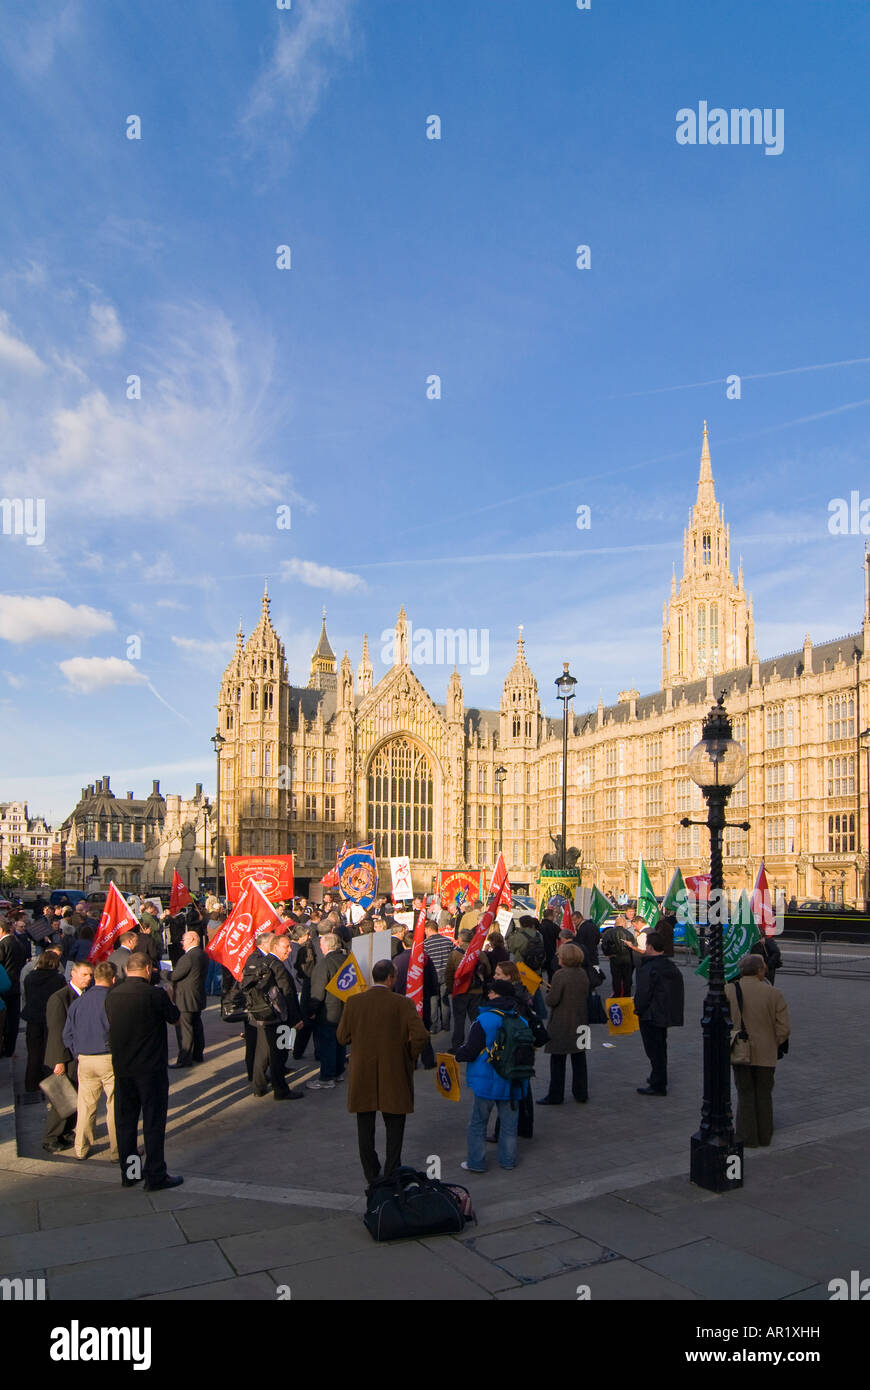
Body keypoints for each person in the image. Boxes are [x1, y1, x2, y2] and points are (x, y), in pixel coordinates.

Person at [336, 957, 430, 1187]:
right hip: (394, 1071)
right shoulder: (402, 1003)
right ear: (390, 978)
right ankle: (391, 1172)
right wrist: (409, 1055)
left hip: (363, 1074)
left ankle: (371, 1173)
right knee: (395, 1126)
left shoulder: (354, 1002)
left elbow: (341, 1037)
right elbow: (421, 1036)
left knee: (364, 1126)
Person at [104, 951, 182, 1190]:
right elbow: (175, 1018)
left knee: (126, 1123)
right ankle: (155, 1173)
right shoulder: (153, 994)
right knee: (153, 1121)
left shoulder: (112, 994)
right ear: (148, 969)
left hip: (123, 1067)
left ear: (127, 970)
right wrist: (170, 996)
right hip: (150, 1068)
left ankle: (131, 1173)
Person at [455, 979, 531, 1173]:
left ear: (496, 995)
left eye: (491, 992)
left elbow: (471, 1050)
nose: (488, 994)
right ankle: (508, 1160)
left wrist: (458, 1054)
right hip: (513, 1080)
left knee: (478, 1122)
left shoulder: (484, 1019)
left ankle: (476, 1162)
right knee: (509, 1124)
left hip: (487, 1079)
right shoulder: (520, 1020)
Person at [725, 954, 790, 1147]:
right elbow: (784, 1028)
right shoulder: (774, 993)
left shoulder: (729, 990)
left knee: (745, 1093)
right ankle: (764, 1134)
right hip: (766, 1053)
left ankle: (747, 1136)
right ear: (760, 970)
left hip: (739, 1050)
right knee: (763, 1093)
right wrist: (773, 1042)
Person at [62, 960, 119, 1161]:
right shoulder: (113, 1000)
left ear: (95, 977)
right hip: (109, 1057)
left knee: (85, 1106)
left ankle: (81, 1148)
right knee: (114, 1105)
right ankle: (117, 1150)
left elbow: (66, 1034)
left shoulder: (78, 1002)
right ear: (113, 979)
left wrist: (78, 1052)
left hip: (85, 1059)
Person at [42, 960, 95, 1152]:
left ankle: (65, 1132)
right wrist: (59, 1060)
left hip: (79, 1055)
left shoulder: (85, 995)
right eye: (84, 975)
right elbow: (56, 1031)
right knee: (62, 1098)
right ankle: (51, 1137)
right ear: (73, 974)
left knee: (75, 1096)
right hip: (65, 1056)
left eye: (90, 975)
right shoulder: (60, 998)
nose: (88, 979)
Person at [241, 933, 300, 1100]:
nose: (289, 950)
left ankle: (258, 1086)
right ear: (275, 947)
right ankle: (280, 1089)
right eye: (286, 947)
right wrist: (296, 1019)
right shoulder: (277, 965)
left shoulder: (260, 962)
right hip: (279, 1017)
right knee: (279, 1054)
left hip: (262, 1015)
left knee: (264, 1052)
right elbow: (288, 993)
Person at [633, 931, 685, 1096]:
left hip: (650, 1014)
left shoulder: (649, 966)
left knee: (654, 1050)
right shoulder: (670, 965)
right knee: (660, 1047)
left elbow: (643, 992)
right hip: (664, 1013)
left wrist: (638, 1009)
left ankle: (658, 1083)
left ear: (649, 946)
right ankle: (657, 1077)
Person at [538, 943, 590, 1105]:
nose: (558, 957)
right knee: (579, 1058)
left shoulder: (560, 975)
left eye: (560, 955)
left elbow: (553, 1000)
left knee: (558, 1060)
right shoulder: (582, 973)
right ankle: (581, 1092)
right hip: (581, 1020)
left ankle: (555, 1094)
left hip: (563, 1022)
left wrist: (548, 994)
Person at [307, 931, 348, 1090]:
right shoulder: (346, 960)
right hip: (344, 1009)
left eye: (321, 944)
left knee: (327, 1045)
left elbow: (317, 992)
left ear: (326, 945)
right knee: (340, 1043)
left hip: (328, 1011)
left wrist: (312, 1010)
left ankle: (326, 1077)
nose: (320, 946)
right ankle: (338, 1072)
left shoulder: (324, 964)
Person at [21, 951, 67, 1092]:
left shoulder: (29, 978)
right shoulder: (58, 979)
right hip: (51, 1018)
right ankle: (51, 1083)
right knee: (51, 1051)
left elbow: (27, 995)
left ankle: (31, 1083)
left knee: (34, 1052)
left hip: (33, 1018)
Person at [392, 931, 438, 1068]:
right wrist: (432, 994)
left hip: (402, 1000)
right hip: (422, 1000)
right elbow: (433, 979)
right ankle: (428, 1060)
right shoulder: (425, 959)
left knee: (406, 1032)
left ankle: (410, 1061)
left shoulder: (396, 960)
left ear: (403, 943)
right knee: (423, 1030)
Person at [445, 928, 492, 1052]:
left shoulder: (455, 954)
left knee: (459, 1020)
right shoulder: (479, 953)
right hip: (476, 991)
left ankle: (457, 1045)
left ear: (460, 940)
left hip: (460, 991)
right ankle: (478, 1043)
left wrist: (451, 988)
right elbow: (488, 970)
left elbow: (449, 973)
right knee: (475, 1019)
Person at [169, 930, 209, 1067]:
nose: (182, 943)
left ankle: (185, 1058)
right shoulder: (202, 954)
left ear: (192, 939)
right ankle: (198, 1054)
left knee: (185, 1028)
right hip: (197, 995)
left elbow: (175, 975)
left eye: (183, 940)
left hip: (185, 997)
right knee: (196, 1024)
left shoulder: (189, 957)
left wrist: (164, 973)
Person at [0, 917, 28, 1056]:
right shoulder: (17, 942)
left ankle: (5, 1047)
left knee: (6, 1020)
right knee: (12, 1019)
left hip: (5, 986)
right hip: (15, 984)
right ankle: (10, 1048)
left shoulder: (4, 944)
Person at [423, 919, 453, 1031]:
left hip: (432, 975)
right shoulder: (448, 941)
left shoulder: (426, 944)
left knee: (433, 1001)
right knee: (445, 1000)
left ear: (429, 929)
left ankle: (433, 1026)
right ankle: (446, 1025)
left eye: (425, 930)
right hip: (445, 974)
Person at [600, 914, 637, 998]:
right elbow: (633, 946)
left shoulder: (609, 933)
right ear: (624, 924)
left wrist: (608, 954)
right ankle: (626, 996)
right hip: (627, 959)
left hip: (615, 958)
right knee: (627, 979)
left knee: (616, 978)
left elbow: (604, 945)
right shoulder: (629, 934)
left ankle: (616, 995)